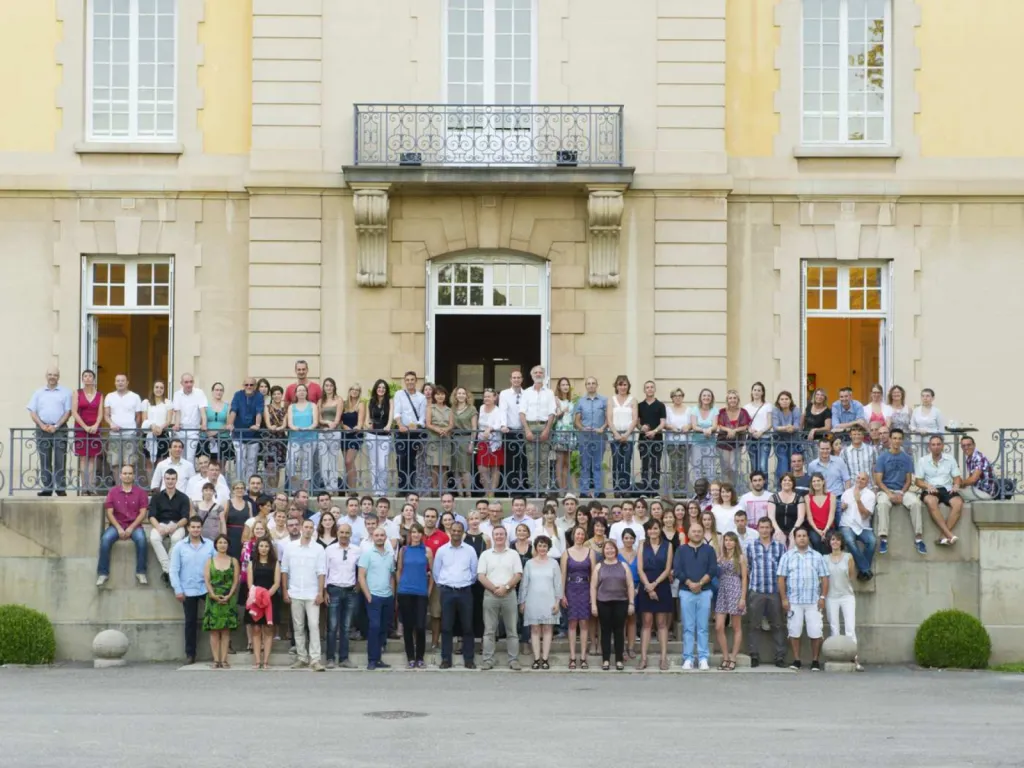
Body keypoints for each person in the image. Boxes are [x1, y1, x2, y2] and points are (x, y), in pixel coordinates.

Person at [778, 527, 830, 671]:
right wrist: (784, 599)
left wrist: (823, 597)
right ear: (794, 539)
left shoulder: (817, 556)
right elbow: (781, 578)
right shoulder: (787, 556)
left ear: (808, 538)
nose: (801, 538)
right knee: (794, 631)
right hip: (794, 601)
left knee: (816, 631)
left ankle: (815, 661)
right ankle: (797, 660)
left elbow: (824, 578)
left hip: (813, 601)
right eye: (799, 536)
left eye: (804, 535)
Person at [281, 519, 327, 671]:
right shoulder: (290, 547)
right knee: (298, 626)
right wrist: (285, 590)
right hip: (295, 592)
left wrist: (320, 592)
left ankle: (315, 659)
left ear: (314, 530)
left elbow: (321, 572)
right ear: (301, 528)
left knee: (314, 626)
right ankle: (301, 657)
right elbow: (284, 570)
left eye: (310, 528)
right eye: (306, 527)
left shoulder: (319, 549)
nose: (308, 530)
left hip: (312, 593)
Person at [477, 525, 524, 670]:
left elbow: (518, 574)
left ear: (505, 536)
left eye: (501, 534)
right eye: (496, 534)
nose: (499, 537)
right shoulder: (485, 554)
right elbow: (481, 576)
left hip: (509, 595)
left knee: (512, 630)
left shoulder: (513, 554)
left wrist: (506, 587)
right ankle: (488, 660)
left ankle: (513, 660)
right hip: (490, 594)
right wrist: (494, 589)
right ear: (492, 536)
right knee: (489, 630)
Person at [432, 522, 479, 669]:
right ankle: (446, 659)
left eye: (459, 530)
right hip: (447, 592)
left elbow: (474, 572)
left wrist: (464, 583)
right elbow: (436, 571)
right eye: (454, 530)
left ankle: (469, 659)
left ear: (463, 532)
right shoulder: (442, 550)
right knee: (446, 627)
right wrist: (444, 584)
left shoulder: (470, 550)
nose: (456, 533)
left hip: (465, 591)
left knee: (467, 627)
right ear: (449, 532)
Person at [168, 517, 214, 665]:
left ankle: (221, 651)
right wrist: (178, 590)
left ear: (201, 528)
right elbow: (173, 570)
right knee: (190, 623)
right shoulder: (179, 547)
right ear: (188, 528)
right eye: (193, 527)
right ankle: (190, 654)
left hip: (206, 588)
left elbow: (215, 565)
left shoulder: (209, 545)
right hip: (187, 589)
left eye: (198, 527)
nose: (196, 530)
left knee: (216, 618)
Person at [673, 520, 717, 670]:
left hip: (705, 592)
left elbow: (712, 569)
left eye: (699, 531)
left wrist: (700, 583)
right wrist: (690, 583)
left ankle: (703, 657)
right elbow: (677, 570)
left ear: (703, 533)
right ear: (689, 533)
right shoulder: (681, 550)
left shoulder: (709, 550)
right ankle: (688, 658)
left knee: (703, 627)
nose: (697, 533)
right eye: (694, 531)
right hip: (686, 592)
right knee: (688, 627)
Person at [96, 464, 149, 587]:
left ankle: (141, 572)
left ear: (134, 476)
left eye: (130, 473)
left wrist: (131, 528)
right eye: (125, 473)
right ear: (120, 475)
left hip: (134, 525)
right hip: (116, 525)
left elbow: (143, 513)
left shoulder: (140, 493)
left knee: (142, 540)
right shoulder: (113, 492)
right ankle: (103, 573)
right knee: (105, 540)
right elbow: (109, 513)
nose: (127, 476)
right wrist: (119, 528)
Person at [745, 516, 787, 668]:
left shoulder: (780, 547)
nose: (764, 530)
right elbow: (748, 567)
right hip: (757, 591)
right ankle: (754, 655)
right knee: (754, 625)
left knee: (778, 625)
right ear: (758, 529)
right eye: (761, 527)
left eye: (766, 527)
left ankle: (780, 656)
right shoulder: (751, 546)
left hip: (774, 591)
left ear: (771, 529)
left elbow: (783, 570)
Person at [519, 535, 563, 669]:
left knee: (548, 628)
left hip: (549, 599)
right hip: (533, 600)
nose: (542, 548)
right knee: (535, 628)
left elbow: (558, 584)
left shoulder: (554, 563)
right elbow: (524, 584)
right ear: (536, 547)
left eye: (545, 546)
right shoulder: (529, 563)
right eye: (540, 545)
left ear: (548, 548)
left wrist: (557, 602)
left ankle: (545, 659)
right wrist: (522, 601)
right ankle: (536, 658)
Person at [591, 539, 635, 671]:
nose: (609, 551)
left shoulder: (623, 565)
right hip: (603, 602)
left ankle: (619, 660)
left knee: (619, 631)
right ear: (603, 552)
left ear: (616, 550)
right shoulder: (599, 567)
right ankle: (605, 660)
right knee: (605, 632)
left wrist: (631, 603)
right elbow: (593, 587)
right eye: (607, 549)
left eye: (612, 548)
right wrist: (593, 605)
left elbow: (630, 585)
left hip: (621, 602)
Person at [636, 519, 674, 671]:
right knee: (646, 623)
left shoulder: (668, 545)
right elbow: (639, 568)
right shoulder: (641, 545)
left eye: (656, 528)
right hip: (646, 585)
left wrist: (655, 585)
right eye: (650, 529)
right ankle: (643, 658)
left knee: (662, 623)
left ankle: (663, 658)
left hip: (662, 584)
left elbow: (667, 569)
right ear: (647, 531)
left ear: (660, 530)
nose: (653, 531)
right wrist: (648, 587)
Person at [358, 526, 396, 670]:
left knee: (383, 629)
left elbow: (392, 576)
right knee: (374, 627)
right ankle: (372, 660)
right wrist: (367, 595)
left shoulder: (389, 555)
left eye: (382, 535)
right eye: (377, 535)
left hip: (387, 597)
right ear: (373, 537)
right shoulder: (367, 554)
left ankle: (379, 658)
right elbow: (361, 576)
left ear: (385, 538)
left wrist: (392, 593)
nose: (379, 537)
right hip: (373, 596)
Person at [395, 522, 433, 669]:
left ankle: (420, 657)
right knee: (408, 626)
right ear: (410, 534)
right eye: (413, 532)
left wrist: (428, 591)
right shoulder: (404, 550)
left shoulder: (427, 551)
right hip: (405, 592)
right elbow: (399, 569)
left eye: (418, 532)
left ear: (422, 535)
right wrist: (400, 587)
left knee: (420, 626)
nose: (415, 535)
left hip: (421, 593)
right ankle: (410, 657)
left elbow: (433, 573)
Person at [915, 434, 963, 546]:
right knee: (931, 501)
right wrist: (927, 486)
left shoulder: (950, 459)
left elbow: (957, 478)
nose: (936, 447)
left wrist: (956, 485)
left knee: (958, 503)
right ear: (929, 447)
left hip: (947, 488)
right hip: (931, 488)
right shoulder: (923, 460)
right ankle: (949, 535)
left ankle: (943, 536)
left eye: (938, 444)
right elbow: (918, 481)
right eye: (933, 445)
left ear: (942, 446)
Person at [323, 522, 359, 669]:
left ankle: (344, 658)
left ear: (350, 534)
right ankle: (330, 658)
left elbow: (360, 569)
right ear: (337, 533)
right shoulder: (329, 550)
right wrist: (324, 590)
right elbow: (324, 570)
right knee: (332, 626)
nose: (344, 535)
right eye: (341, 532)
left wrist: (358, 585)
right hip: (334, 590)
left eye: (347, 533)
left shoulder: (357, 550)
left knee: (346, 626)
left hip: (350, 591)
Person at [825, 530, 862, 671]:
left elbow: (851, 576)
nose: (835, 542)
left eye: (838, 540)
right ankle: (835, 658)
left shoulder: (848, 557)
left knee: (850, 629)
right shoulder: (824, 558)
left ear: (841, 542)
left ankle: (855, 659)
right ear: (829, 542)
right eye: (832, 539)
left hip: (847, 596)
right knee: (834, 628)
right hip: (831, 597)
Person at [202, 534, 239, 669]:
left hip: (229, 597)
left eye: (225, 542)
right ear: (216, 545)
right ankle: (216, 660)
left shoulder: (233, 561)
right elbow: (206, 579)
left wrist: (229, 595)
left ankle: (224, 660)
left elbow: (236, 580)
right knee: (214, 631)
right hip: (213, 598)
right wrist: (212, 594)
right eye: (220, 542)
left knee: (225, 631)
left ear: (228, 545)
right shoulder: (209, 561)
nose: (222, 545)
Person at [712, 531, 748, 671]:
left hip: (735, 589)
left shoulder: (740, 557)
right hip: (722, 590)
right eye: (726, 540)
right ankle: (725, 656)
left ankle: (733, 658)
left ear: (735, 542)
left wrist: (743, 597)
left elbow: (744, 578)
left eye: (731, 540)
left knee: (736, 626)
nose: (728, 542)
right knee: (719, 626)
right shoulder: (721, 557)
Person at [148, 468, 190, 585]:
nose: (170, 481)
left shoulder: (183, 497)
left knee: (176, 539)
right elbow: (151, 516)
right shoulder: (157, 497)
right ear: (163, 480)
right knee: (154, 538)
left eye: (172, 479)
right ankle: (169, 569)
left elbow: (185, 518)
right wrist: (159, 527)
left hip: (177, 524)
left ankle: (167, 571)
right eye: (167, 479)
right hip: (160, 523)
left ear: (176, 480)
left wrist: (175, 526)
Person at [561, 525, 594, 670]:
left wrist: (593, 595)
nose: (579, 536)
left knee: (584, 623)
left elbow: (594, 575)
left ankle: (583, 657)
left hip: (586, 588)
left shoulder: (590, 552)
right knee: (572, 623)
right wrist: (562, 594)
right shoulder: (566, 553)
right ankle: (573, 656)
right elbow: (563, 575)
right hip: (571, 589)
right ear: (573, 536)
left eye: (582, 534)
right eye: (577, 534)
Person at [520, 364, 557, 493]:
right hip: (530, 426)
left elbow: (552, 412)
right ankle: (532, 488)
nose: (538, 374)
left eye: (540, 372)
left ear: (544, 375)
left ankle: (541, 489)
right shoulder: (526, 392)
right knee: (531, 461)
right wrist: (527, 430)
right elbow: (522, 413)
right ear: (531, 376)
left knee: (543, 461)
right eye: (535, 372)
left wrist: (547, 429)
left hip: (543, 425)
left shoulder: (549, 393)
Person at [104, 373, 144, 481]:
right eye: (118, 381)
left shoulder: (135, 397)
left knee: (129, 462)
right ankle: (118, 487)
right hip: (114, 435)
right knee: (114, 462)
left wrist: (135, 430)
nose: (120, 383)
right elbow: (106, 415)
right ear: (115, 383)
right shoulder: (109, 396)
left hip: (130, 434)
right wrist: (111, 424)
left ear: (127, 383)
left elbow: (138, 416)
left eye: (122, 380)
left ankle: (128, 486)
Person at [839, 472, 877, 580]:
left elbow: (865, 515)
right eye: (858, 478)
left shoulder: (870, 495)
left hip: (862, 526)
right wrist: (841, 507)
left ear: (867, 482)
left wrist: (858, 500)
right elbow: (839, 511)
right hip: (846, 525)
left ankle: (863, 570)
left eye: (863, 479)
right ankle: (865, 569)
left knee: (872, 541)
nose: (859, 481)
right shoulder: (846, 493)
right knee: (849, 541)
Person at [574, 377, 608, 497]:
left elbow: (608, 418)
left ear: (597, 385)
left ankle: (598, 491)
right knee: (585, 464)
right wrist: (582, 428)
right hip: (585, 436)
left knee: (598, 464)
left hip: (599, 436)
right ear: (586, 386)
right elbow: (577, 420)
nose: (591, 385)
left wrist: (602, 428)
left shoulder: (604, 400)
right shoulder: (581, 401)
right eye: (588, 384)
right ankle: (584, 491)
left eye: (593, 383)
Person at [394, 371, 427, 494]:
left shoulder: (421, 397)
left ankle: (411, 488)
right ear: (405, 381)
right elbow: (397, 412)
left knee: (412, 460)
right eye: (407, 380)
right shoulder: (399, 394)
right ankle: (402, 487)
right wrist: (400, 425)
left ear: (416, 381)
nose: (410, 382)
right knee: (401, 459)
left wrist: (416, 426)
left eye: (412, 379)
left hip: (414, 433)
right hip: (401, 432)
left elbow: (422, 418)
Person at [71, 369, 103, 495]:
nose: (88, 378)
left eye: (90, 376)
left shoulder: (100, 395)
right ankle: (84, 487)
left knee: (93, 459)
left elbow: (100, 413)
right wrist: (84, 426)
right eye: (85, 376)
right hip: (81, 429)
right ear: (82, 379)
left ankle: (91, 486)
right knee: (83, 458)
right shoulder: (77, 393)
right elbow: (74, 411)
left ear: (93, 379)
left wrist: (95, 425)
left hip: (95, 429)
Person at [227, 377, 264, 483]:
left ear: (255, 386)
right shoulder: (238, 395)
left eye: (251, 385)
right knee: (240, 461)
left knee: (252, 462)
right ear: (243, 386)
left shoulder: (259, 396)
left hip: (253, 435)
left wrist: (257, 424)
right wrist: (230, 424)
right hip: (239, 434)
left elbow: (259, 411)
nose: (249, 387)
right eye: (246, 385)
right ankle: (239, 484)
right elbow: (234, 410)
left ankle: (250, 486)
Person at [607, 375, 638, 497]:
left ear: (628, 386)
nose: (622, 387)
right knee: (616, 462)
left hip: (628, 435)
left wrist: (626, 434)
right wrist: (615, 433)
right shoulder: (611, 400)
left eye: (625, 384)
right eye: (620, 384)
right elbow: (609, 418)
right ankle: (617, 489)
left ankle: (625, 489)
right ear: (616, 386)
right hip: (614, 435)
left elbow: (635, 419)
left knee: (626, 462)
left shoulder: (633, 400)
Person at [363, 379, 393, 498]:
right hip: (372, 435)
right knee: (373, 464)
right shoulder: (370, 402)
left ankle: (383, 489)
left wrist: (389, 425)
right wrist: (368, 425)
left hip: (385, 435)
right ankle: (376, 490)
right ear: (376, 389)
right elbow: (367, 418)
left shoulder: (390, 401)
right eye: (379, 387)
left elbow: (391, 416)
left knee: (383, 464)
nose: (381, 390)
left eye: (383, 388)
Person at [498, 370, 527, 493]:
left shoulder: (527, 393)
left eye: (518, 377)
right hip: (509, 431)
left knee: (524, 460)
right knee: (510, 461)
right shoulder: (504, 394)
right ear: (511, 379)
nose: (516, 380)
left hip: (524, 431)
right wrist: (503, 425)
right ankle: (510, 488)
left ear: (522, 379)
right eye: (514, 377)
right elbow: (503, 410)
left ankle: (524, 487)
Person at [286, 384, 318, 490]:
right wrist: (295, 428)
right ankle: (295, 487)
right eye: (299, 390)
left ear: (307, 392)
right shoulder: (291, 407)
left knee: (306, 464)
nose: (301, 392)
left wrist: (308, 428)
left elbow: (315, 422)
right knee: (291, 462)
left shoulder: (312, 405)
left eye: (303, 390)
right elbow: (290, 423)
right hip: (295, 438)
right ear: (295, 393)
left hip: (310, 438)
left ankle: (305, 489)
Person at [170, 372, 207, 464]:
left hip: (193, 430)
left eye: (191, 382)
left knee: (190, 457)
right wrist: (177, 424)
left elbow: (203, 411)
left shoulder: (199, 393)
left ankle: (189, 478)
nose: (189, 384)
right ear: (181, 383)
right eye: (186, 382)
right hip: (180, 430)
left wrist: (204, 424)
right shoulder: (177, 394)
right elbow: (177, 412)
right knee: (179, 456)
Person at [637, 380, 666, 494]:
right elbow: (637, 423)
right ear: (644, 390)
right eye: (647, 387)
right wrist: (641, 428)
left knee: (655, 465)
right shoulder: (640, 405)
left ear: (654, 389)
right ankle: (644, 490)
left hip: (657, 439)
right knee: (644, 465)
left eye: (651, 387)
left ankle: (654, 490)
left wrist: (655, 431)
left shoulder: (660, 405)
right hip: (643, 439)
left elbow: (663, 422)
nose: (649, 389)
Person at [476, 388, 507, 495]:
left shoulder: (499, 410)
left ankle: (492, 493)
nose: (486, 398)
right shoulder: (481, 408)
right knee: (482, 468)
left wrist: (490, 428)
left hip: (495, 442)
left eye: (489, 396)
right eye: (485, 396)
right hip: (482, 441)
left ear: (495, 398)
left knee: (495, 468)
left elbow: (502, 423)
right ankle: (487, 490)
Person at [717, 389, 750, 486]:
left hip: (737, 442)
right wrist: (728, 430)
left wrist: (735, 430)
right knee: (726, 467)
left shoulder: (743, 412)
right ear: (727, 400)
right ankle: (725, 487)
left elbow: (746, 425)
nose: (732, 400)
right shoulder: (722, 412)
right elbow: (719, 424)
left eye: (734, 398)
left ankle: (733, 488)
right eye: (730, 398)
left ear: (738, 399)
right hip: (723, 441)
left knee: (734, 467)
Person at [425, 384, 454, 493]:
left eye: (442, 394)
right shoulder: (430, 408)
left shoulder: (449, 410)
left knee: (444, 466)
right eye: (437, 395)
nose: (440, 397)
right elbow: (428, 423)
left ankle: (444, 490)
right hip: (434, 439)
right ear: (434, 396)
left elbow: (451, 424)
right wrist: (438, 430)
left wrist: (445, 430)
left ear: (445, 396)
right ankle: (435, 490)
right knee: (434, 466)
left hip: (446, 439)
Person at [450, 386, 478, 497]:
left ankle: (468, 493)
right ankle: (460, 493)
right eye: (459, 393)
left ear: (467, 396)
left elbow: (474, 428)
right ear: (455, 396)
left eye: (463, 393)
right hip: (453, 440)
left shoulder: (472, 409)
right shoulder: (452, 409)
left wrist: (472, 443)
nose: (461, 395)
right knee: (455, 469)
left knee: (465, 468)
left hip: (466, 439)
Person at [316, 378, 342, 493]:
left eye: (331, 385)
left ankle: (333, 486)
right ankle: (326, 486)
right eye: (326, 385)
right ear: (324, 387)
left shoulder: (339, 400)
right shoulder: (320, 401)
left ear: (334, 387)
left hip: (334, 433)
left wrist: (332, 425)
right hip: (322, 432)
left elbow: (337, 418)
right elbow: (318, 419)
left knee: (333, 460)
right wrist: (326, 423)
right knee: (323, 460)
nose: (328, 387)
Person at [141, 381, 172, 473]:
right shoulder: (146, 402)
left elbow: (169, 420)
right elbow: (144, 418)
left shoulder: (167, 402)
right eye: (157, 387)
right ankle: (151, 486)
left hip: (163, 433)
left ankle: (159, 486)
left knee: (161, 463)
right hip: (149, 433)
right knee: (149, 462)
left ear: (164, 389)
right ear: (153, 388)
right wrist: (152, 426)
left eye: (161, 388)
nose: (159, 389)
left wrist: (160, 428)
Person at [552, 377, 576, 492]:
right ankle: (560, 488)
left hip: (570, 432)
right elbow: (556, 416)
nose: (565, 386)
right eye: (563, 385)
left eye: (567, 384)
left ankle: (566, 487)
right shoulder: (556, 399)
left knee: (567, 462)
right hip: (560, 432)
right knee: (560, 461)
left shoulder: (571, 401)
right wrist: (562, 411)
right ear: (559, 387)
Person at [772, 390, 802, 483]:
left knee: (793, 463)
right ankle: (780, 484)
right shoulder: (776, 410)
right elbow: (775, 427)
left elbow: (797, 425)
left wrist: (792, 428)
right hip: (780, 441)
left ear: (790, 400)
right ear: (778, 401)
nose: (784, 401)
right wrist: (787, 427)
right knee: (783, 461)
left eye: (786, 399)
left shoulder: (795, 410)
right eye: (782, 399)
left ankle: (793, 484)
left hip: (794, 440)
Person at [769, 473, 806, 546]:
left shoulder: (799, 498)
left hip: (794, 528)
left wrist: (794, 530)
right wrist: (777, 529)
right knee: (779, 540)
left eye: (790, 480)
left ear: (793, 483)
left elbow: (801, 517)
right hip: (777, 528)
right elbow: (771, 517)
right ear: (781, 482)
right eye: (784, 480)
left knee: (793, 541)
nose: (787, 482)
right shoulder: (773, 498)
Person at [690, 389, 719, 482]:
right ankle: (697, 492)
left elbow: (715, 425)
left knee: (710, 469)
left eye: (708, 396)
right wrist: (704, 430)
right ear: (700, 398)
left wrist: (710, 429)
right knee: (696, 468)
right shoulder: (695, 409)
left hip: (710, 443)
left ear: (711, 398)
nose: (706, 397)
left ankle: (710, 492)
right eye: (704, 395)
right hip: (697, 443)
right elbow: (694, 426)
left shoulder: (714, 410)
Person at [744, 382, 772, 477]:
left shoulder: (767, 406)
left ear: (762, 392)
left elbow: (770, 423)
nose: (756, 392)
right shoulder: (746, 407)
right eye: (755, 390)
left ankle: (765, 490)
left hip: (765, 438)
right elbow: (745, 424)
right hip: (751, 439)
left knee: (763, 466)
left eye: (759, 390)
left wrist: (761, 431)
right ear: (751, 392)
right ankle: (755, 490)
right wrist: (750, 430)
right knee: (754, 467)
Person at [805, 472, 836, 554]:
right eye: (814, 481)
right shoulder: (807, 497)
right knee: (816, 540)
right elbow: (809, 517)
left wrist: (825, 530)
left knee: (828, 539)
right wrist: (818, 531)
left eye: (818, 480)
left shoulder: (832, 496)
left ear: (823, 482)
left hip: (828, 527)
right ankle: (819, 561)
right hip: (814, 528)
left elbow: (831, 515)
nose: (816, 483)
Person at [960, 435, 997, 502]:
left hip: (985, 493)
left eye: (969, 445)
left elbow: (973, 479)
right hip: (977, 489)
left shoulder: (978, 458)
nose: (966, 447)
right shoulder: (970, 458)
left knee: (954, 491)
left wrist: (959, 484)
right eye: (963, 446)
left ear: (974, 445)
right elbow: (971, 478)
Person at [803, 388, 832, 453]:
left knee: (817, 460)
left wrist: (815, 430)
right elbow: (803, 418)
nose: (819, 397)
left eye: (822, 395)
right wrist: (799, 433)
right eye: (817, 394)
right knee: (808, 461)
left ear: (825, 398)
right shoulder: (809, 405)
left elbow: (828, 427)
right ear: (814, 396)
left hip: (819, 441)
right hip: (805, 439)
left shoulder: (827, 411)